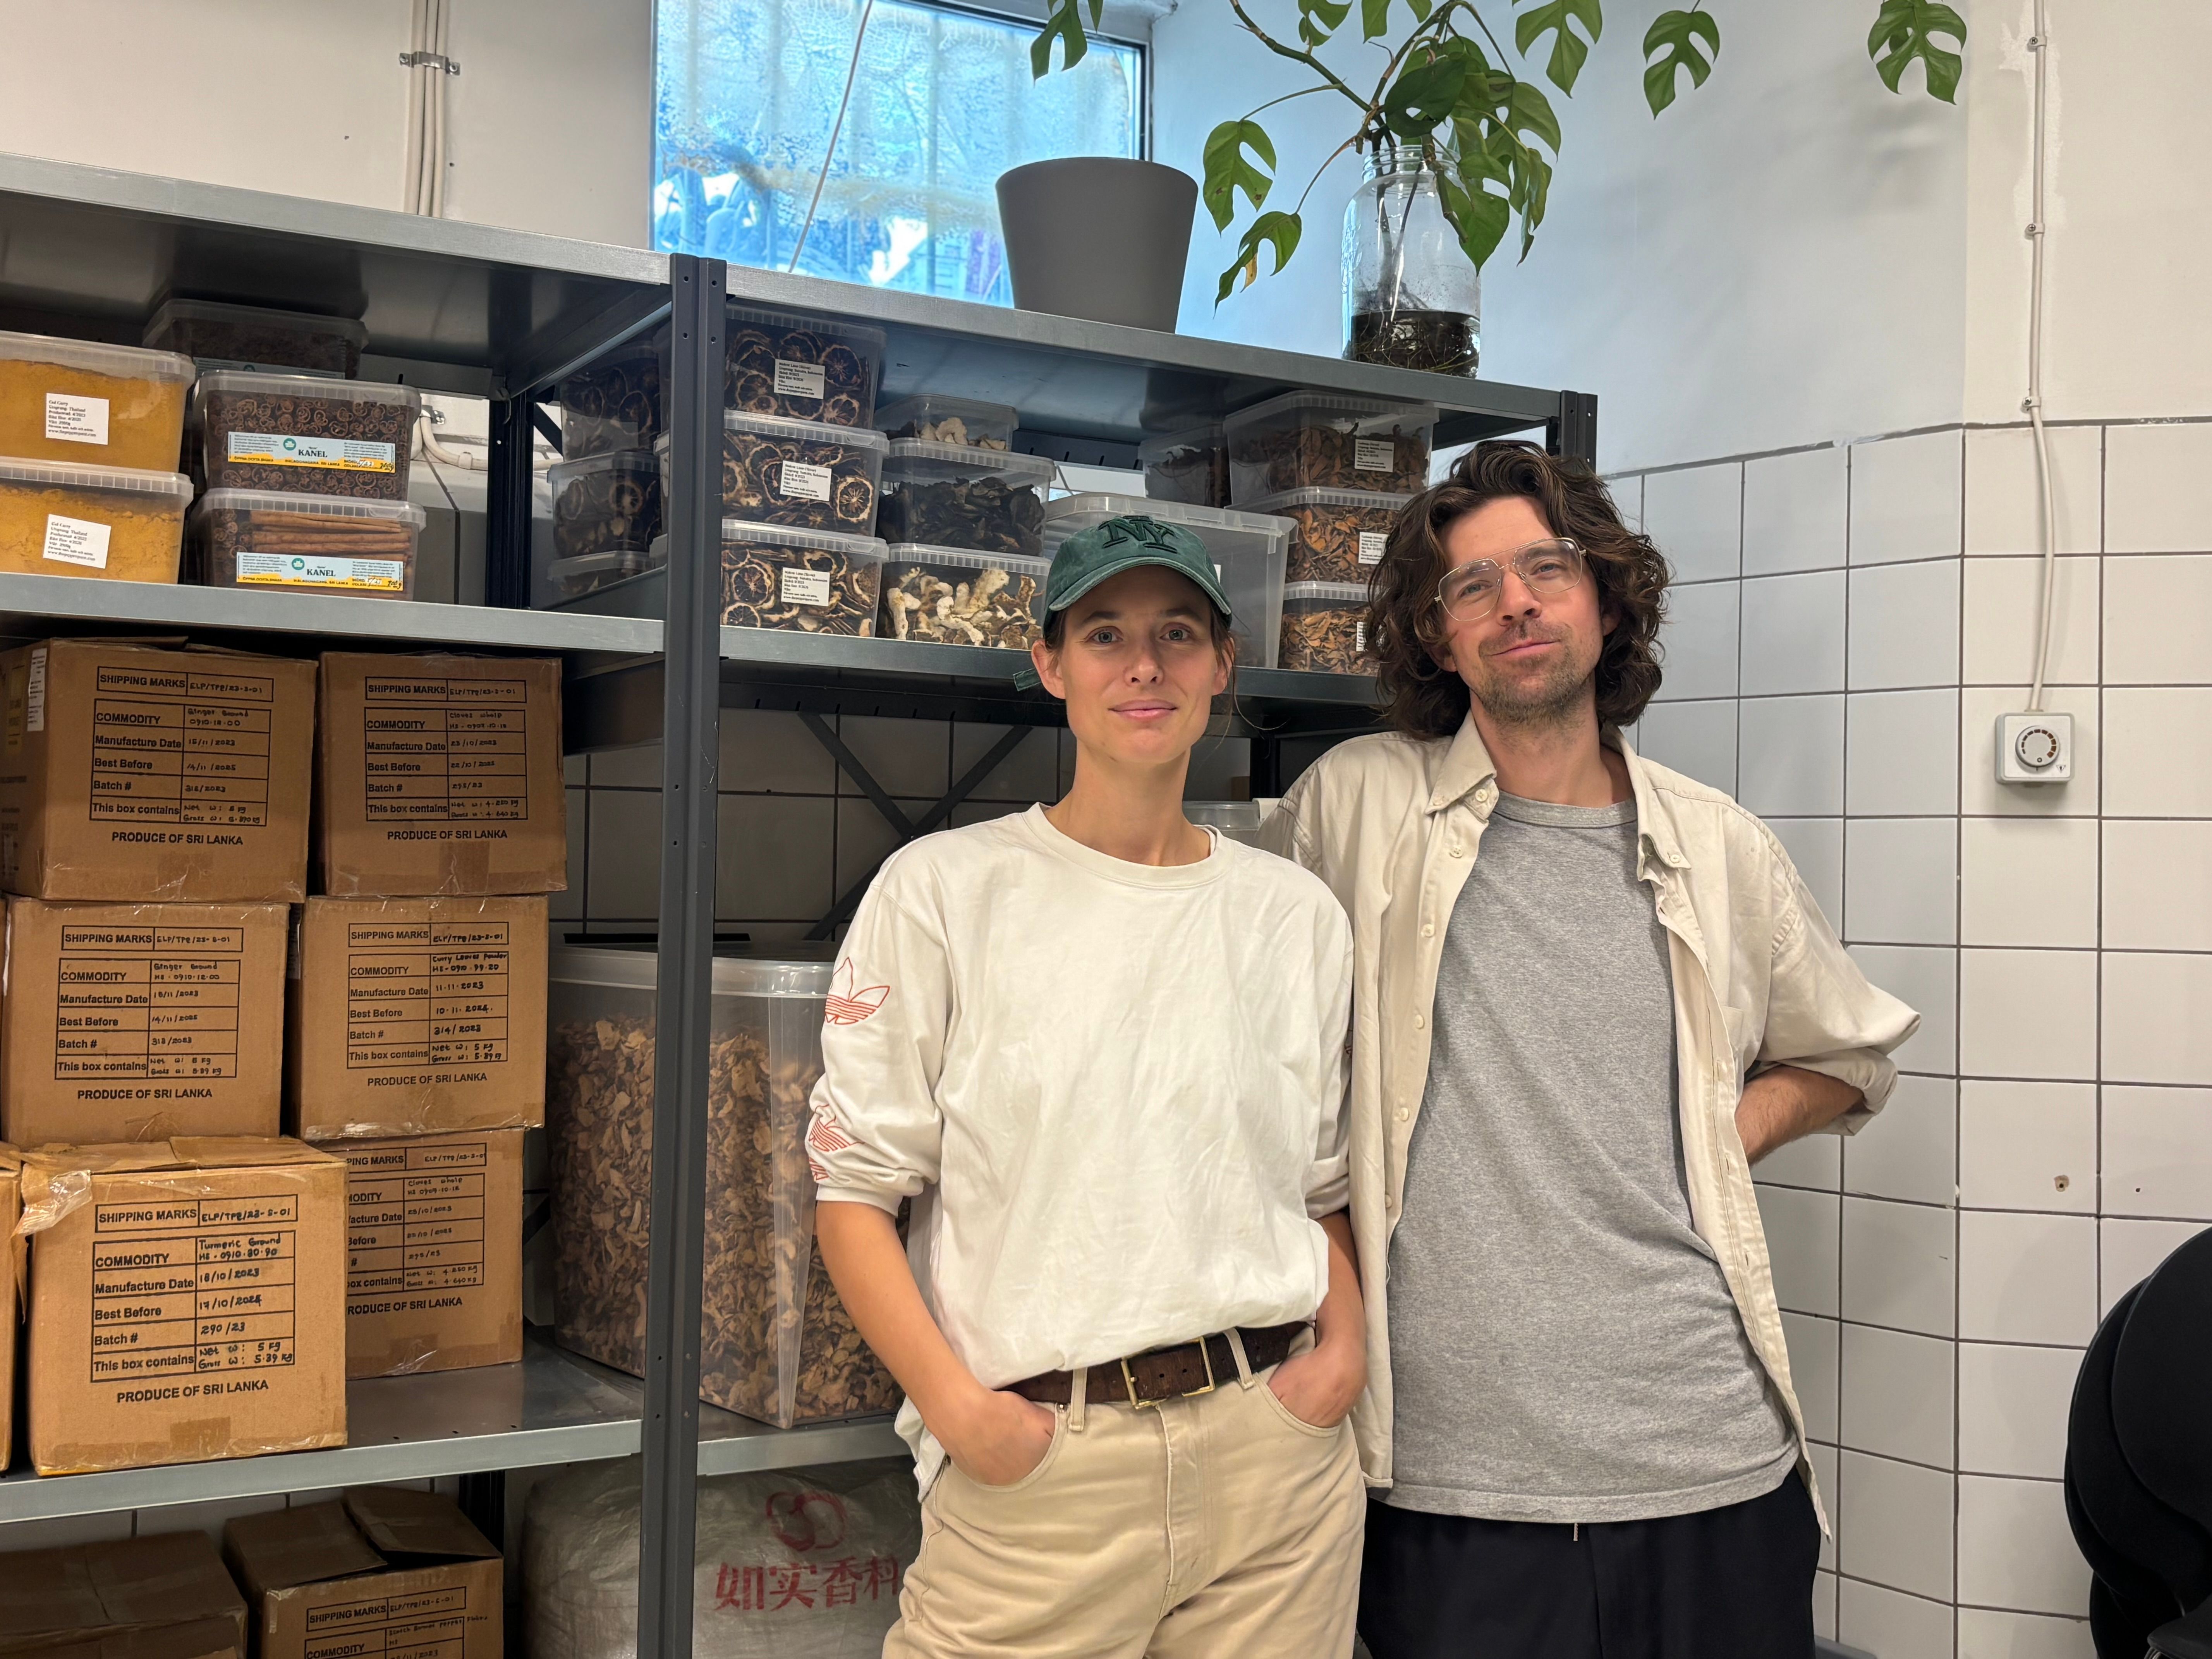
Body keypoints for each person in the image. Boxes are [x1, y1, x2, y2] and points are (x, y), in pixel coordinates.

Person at [1263, 441, 1919, 1658]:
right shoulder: (1356, 807)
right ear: (1437, 635)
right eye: (1473, 586)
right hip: (1452, 1489)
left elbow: (1853, 1055)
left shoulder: (1716, 844)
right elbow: (1250, 1036)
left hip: (1712, 1466)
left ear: (1606, 602)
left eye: (1547, 569)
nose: (1515, 603)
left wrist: (1722, 1132)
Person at [807, 513, 1369, 1659]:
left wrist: (1343, 1357)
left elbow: (1319, 1185)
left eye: (1178, 633)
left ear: (1223, 664)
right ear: (1051, 665)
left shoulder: (1294, 914)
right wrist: (965, 1417)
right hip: (1044, 1476)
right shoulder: (944, 892)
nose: (1144, 665)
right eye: (1106, 634)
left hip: (1276, 1466)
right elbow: (854, 1196)